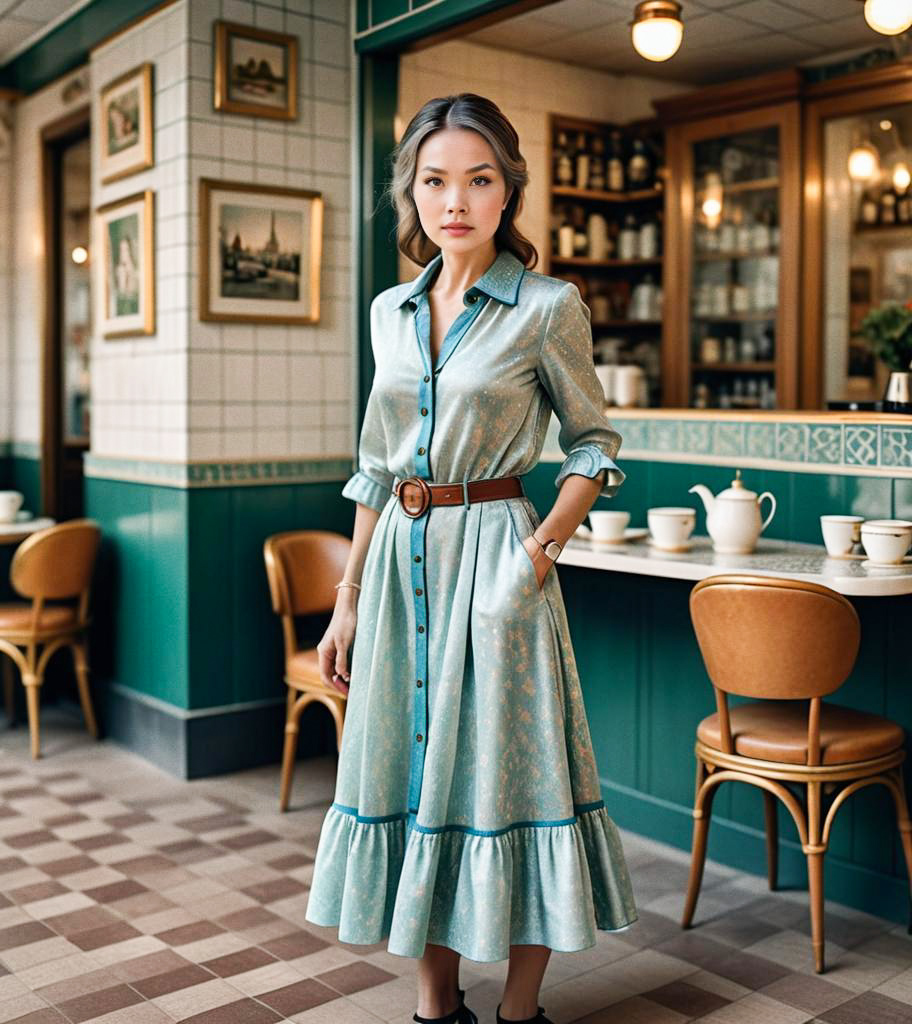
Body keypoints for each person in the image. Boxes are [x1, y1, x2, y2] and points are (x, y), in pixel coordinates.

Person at [304, 93, 637, 1024]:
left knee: (514, 779)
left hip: (498, 561)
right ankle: (432, 1004)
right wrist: (346, 600)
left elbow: (595, 446)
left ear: (507, 193)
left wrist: (536, 553)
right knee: (414, 783)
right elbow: (374, 468)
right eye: (436, 179)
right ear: (412, 193)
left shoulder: (546, 307)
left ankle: (521, 1010)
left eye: (479, 180)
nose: (457, 199)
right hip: (401, 563)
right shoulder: (387, 311)